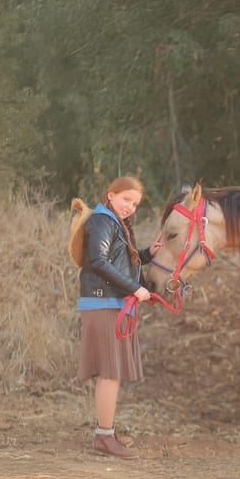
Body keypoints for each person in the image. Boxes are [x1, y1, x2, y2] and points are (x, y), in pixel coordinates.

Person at [76, 176, 162, 458]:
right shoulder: (102, 221)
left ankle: (107, 432)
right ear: (111, 195)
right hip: (103, 303)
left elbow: (120, 260)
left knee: (112, 373)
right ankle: (103, 438)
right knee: (110, 373)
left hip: (109, 302)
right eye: (126, 199)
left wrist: (148, 254)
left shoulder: (114, 222)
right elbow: (98, 261)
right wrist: (136, 288)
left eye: (135, 204)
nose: (130, 207)